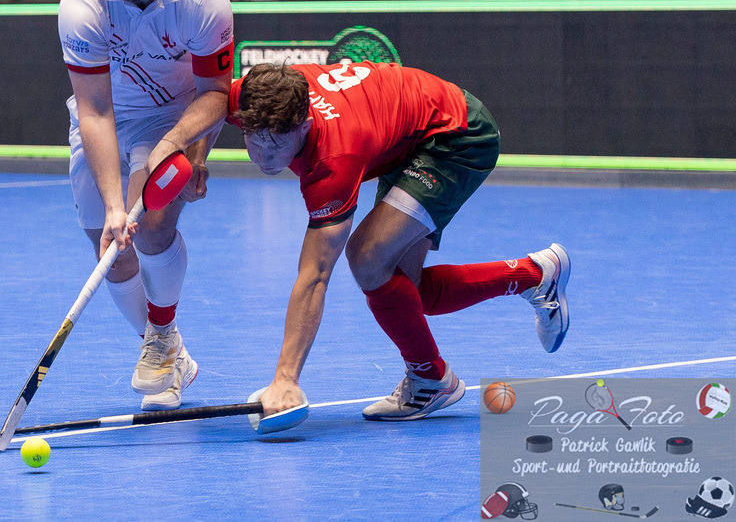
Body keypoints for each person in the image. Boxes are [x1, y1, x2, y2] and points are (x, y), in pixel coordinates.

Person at [227, 61, 570, 421]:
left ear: (306, 125)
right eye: (252, 139)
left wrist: (285, 379)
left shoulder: (334, 159)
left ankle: (430, 377)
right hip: (408, 131)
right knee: (406, 294)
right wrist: (195, 161)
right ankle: (536, 276)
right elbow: (207, 103)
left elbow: (315, 276)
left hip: (455, 135)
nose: (261, 157)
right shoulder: (253, 95)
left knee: (366, 258)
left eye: (277, 144)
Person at [58, 0, 234, 411]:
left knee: (153, 227)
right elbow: (94, 109)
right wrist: (113, 206)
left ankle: (160, 334)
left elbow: (217, 93)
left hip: (177, 115)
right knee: (113, 252)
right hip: (110, 114)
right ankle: (166, 349)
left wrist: (189, 150)